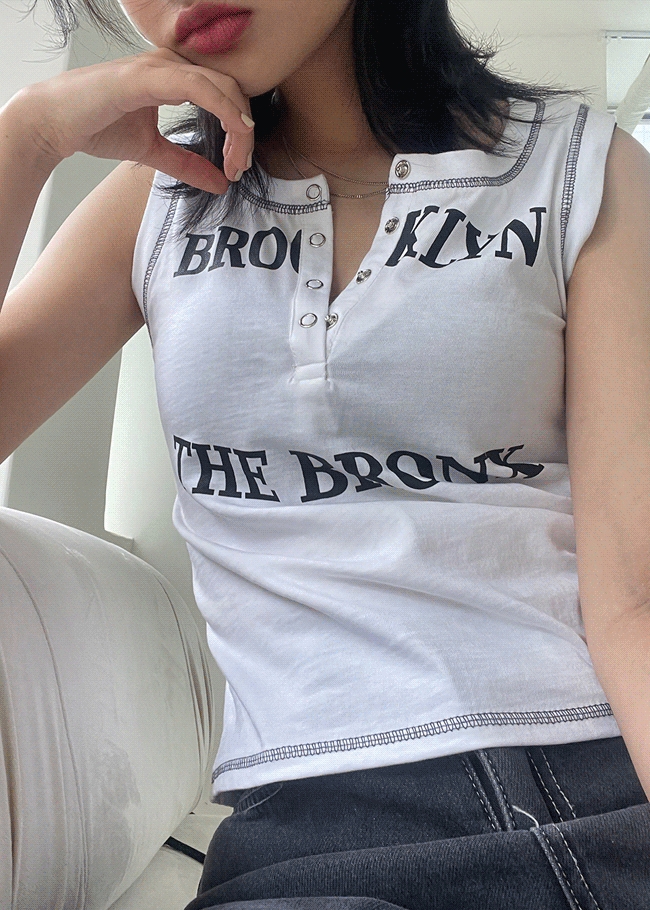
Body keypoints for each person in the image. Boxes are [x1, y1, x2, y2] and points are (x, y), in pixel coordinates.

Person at [1, 0, 650, 907]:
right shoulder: (156, 203)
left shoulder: (580, 166)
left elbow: (633, 596)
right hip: (305, 831)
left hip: (594, 787)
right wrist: (27, 137)